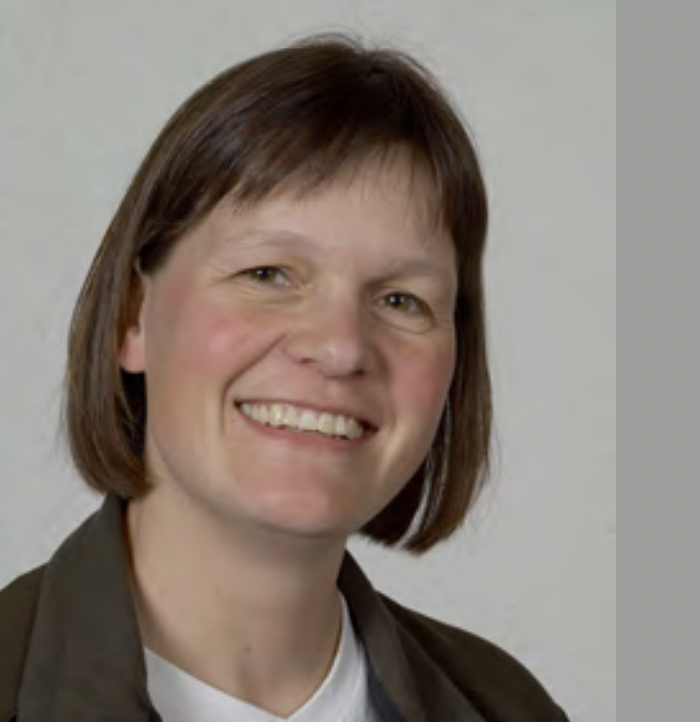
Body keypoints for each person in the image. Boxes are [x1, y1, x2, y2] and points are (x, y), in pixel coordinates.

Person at [0, 34, 570, 722]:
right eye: (268, 274)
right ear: (132, 317)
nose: (339, 347)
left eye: (401, 300)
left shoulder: (510, 708)